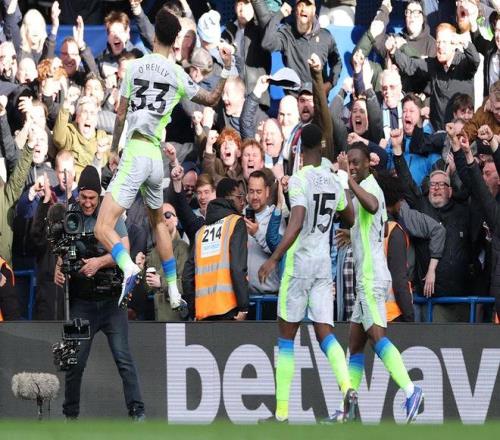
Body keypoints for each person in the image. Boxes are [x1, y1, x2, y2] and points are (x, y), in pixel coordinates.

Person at [93, 8, 235, 309]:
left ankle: (128, 267)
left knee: (102, 227)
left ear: (154, 34)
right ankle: (172, 289)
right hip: (156, 159)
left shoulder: (134, 67)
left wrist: (114, 149)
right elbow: (211, 99)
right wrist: (226, 68)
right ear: (174, 41)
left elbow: (120, 114)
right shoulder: (177, 73)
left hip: (135, 151)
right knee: (158, 223)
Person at [258, 124, 358, 423]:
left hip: (299, 264)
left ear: (301, 148)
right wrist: (343, 181)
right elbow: (351, 217)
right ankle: (348, 388)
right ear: (322, 146)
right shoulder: (332, 179)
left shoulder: (300, 179)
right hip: (323, 265)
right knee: (324, 332)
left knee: (286, 337)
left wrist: (274, 258)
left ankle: (281, 414)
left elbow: (298, 220)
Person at [340, 142, 423, 423]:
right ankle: (348, 409)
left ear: (368, 164)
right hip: (366, 277)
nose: (352, 166)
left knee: (377, 338)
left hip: (371, 277)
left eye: (356, 162)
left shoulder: (370, 188)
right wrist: (351, 234)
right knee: (355, 345)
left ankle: (411, 390)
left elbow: (373, 206)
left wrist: (347, 179)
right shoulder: (363, 187)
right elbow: (372, 225)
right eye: (349, 162)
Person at [53, 166, 144, 420]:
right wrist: (58, 270)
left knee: (123, 359)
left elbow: (124, 250)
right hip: (81, 303)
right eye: (84, 197)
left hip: (112, 302)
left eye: (92, 198)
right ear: (78, 194)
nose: (88, 203)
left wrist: (99, 263)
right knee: (74, 362)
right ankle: (70, 416)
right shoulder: (70, 215)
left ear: (99, 196)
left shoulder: (110, 214)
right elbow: (61, 254)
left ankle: (137, 413)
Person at [182, 177, 249, 321]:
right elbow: (237, 267)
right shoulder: (235, 223)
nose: (242, 202)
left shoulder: (201, 232)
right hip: (229, 309)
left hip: (203, 312)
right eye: (239, 197)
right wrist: (243, 306)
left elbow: (187, 277)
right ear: (229, 198)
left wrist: (194, 309)